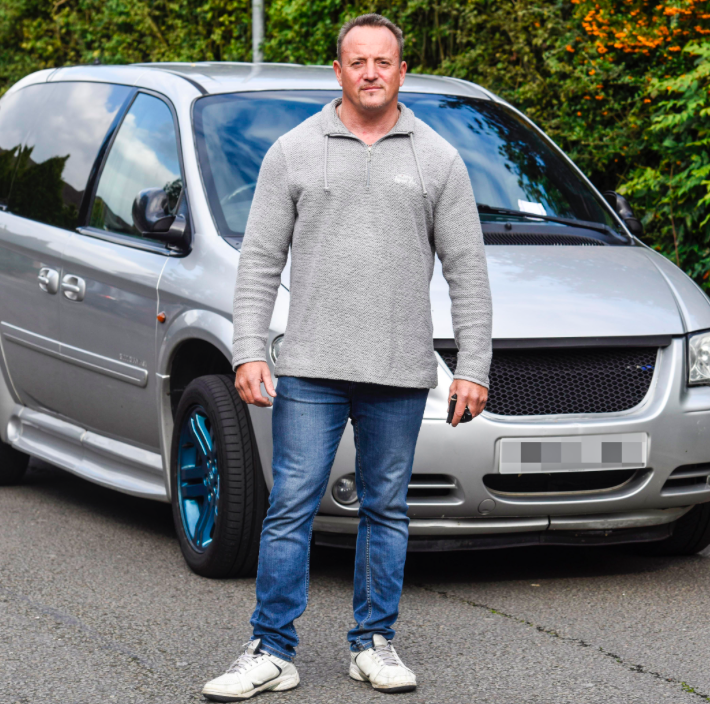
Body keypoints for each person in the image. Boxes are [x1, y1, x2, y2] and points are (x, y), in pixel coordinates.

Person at [201, 13, 493, 701]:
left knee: (386, 508)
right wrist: (248, 348)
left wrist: (473, 364)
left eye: (382, 62)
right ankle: (271, 651)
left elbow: (468, 270)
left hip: (398, 371)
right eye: (357, 61)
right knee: (291, 505)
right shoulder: (294, 151)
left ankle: (373, 643)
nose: (369, 72)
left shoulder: (438, 158)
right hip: (309, 368)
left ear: (401, 71)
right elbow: (259, 261)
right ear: (338, 71)